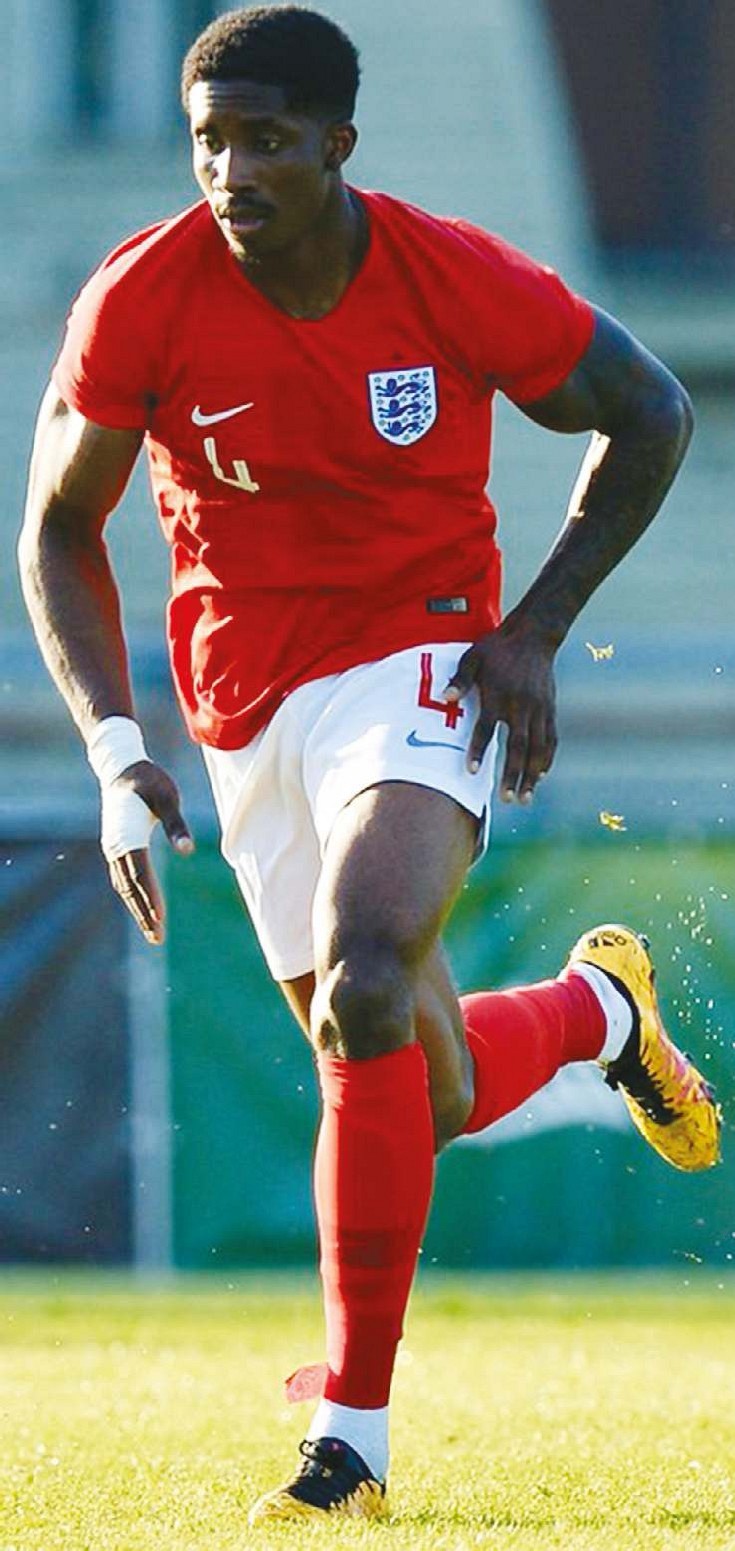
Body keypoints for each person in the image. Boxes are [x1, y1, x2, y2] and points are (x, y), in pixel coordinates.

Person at [19, 4, 720, 1524]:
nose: (233, 171)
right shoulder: (139, 297)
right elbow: (59, 528)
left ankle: (349, 1441)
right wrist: (117, 750)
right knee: (420, 1076)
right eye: (210, 141)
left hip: (422, 654)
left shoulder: (448, 273)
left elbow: (652, 412)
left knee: (363, 976)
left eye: (267, 139)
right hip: (242, 707)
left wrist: (533, 632)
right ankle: (600, 1010)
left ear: (338, 143)